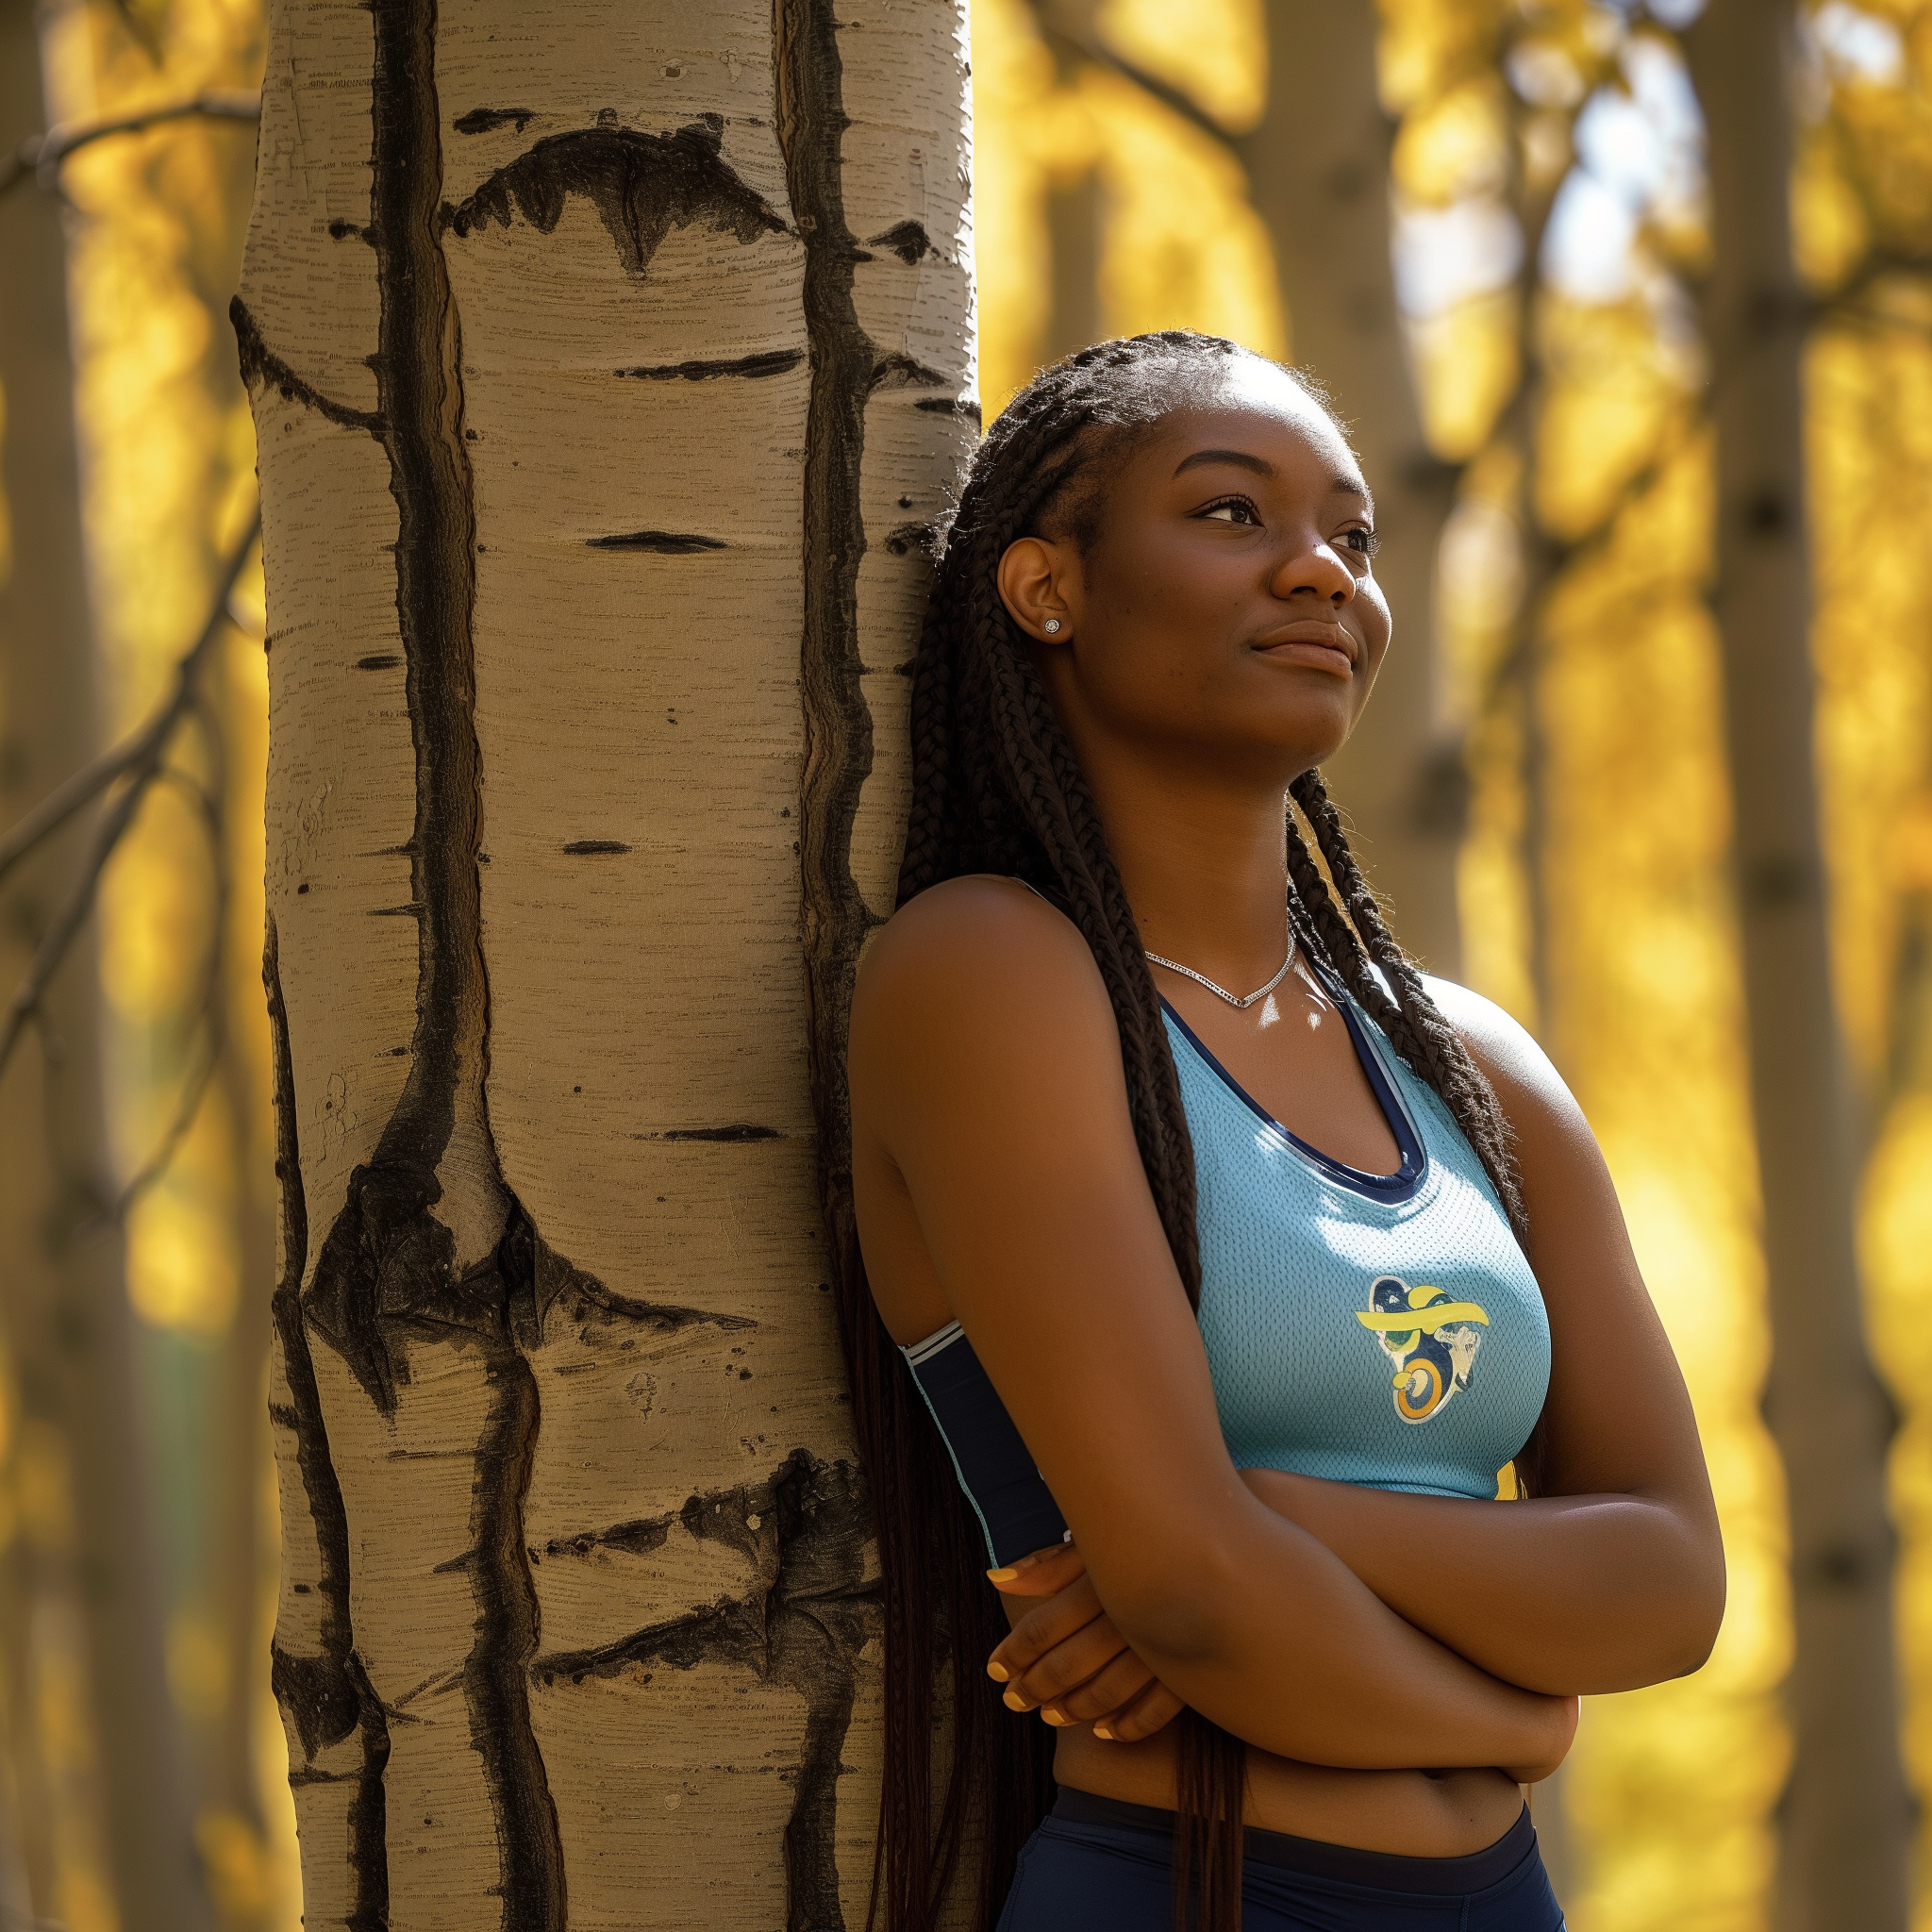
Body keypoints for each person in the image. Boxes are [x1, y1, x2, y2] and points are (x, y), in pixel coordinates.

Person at [838, 331, 1724, 1932]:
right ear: (1047, 588)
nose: (1322, 572)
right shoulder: (989, 975)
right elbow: (1187, 1589)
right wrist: (1518, 1717)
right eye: (1234, 515)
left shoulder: (1470, 1065)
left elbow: (1671, 1582)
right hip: (1197, 1891)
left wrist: (1276, 1516)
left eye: (1354, 536)